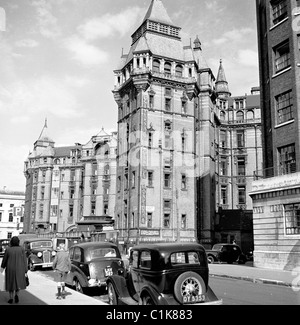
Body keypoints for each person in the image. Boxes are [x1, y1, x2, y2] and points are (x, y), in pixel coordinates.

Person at [0, 236, 28, 304]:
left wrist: (2, 268)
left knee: (11, 283)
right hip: (20, 268)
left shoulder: (8, 249)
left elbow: (5, 260)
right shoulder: (21, 249)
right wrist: (26, 270)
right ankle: (16, 295)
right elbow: (25, 260)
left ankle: (11, 298)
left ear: (11, 242)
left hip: (10, 269)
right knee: (17, 283)